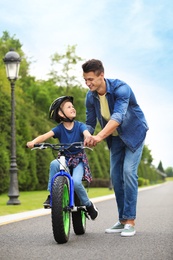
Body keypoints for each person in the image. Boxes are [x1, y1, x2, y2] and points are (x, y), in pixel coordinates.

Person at [82, 59, 148, 236]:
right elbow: (89, 123)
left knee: (128, 172)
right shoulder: (90, 96)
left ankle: (130, 221)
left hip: (134, 133)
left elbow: (117, 117)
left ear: (101, 75)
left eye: (90, 79)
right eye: (85, 80)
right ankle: (121, 220)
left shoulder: (121, 89)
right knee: (115, 177)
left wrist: (99, 136)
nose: (88, 83)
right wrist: (87, 135)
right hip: (115, 138)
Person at [26, 96, 98, 220]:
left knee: (75, 182)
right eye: (69, 107)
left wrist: (88, 138)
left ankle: (88, 204)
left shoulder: (80, 126)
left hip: (78, 160)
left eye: (73, 106)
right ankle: (51, 196)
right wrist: (33, 142)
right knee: (54, 163)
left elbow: (86, 133)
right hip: (65, 158)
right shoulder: (59, 128)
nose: (73, 108)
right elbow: (45, 136)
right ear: (60, 113)